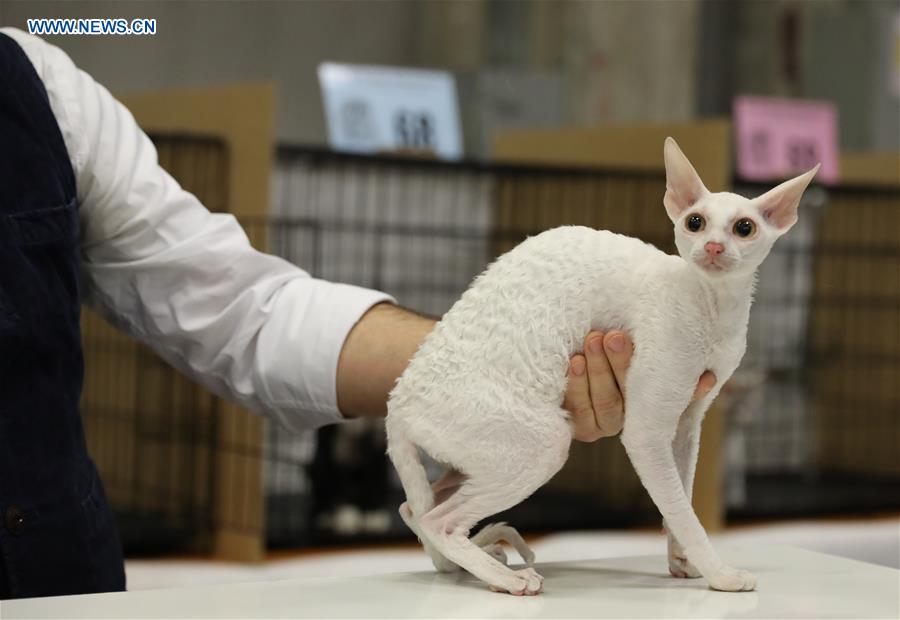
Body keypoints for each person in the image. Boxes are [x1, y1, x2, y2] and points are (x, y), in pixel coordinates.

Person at [0, 28, 714, 599]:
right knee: (535, 449)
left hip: (50, 577)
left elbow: (244, 313)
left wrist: (494, 368)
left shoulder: (39, 85)